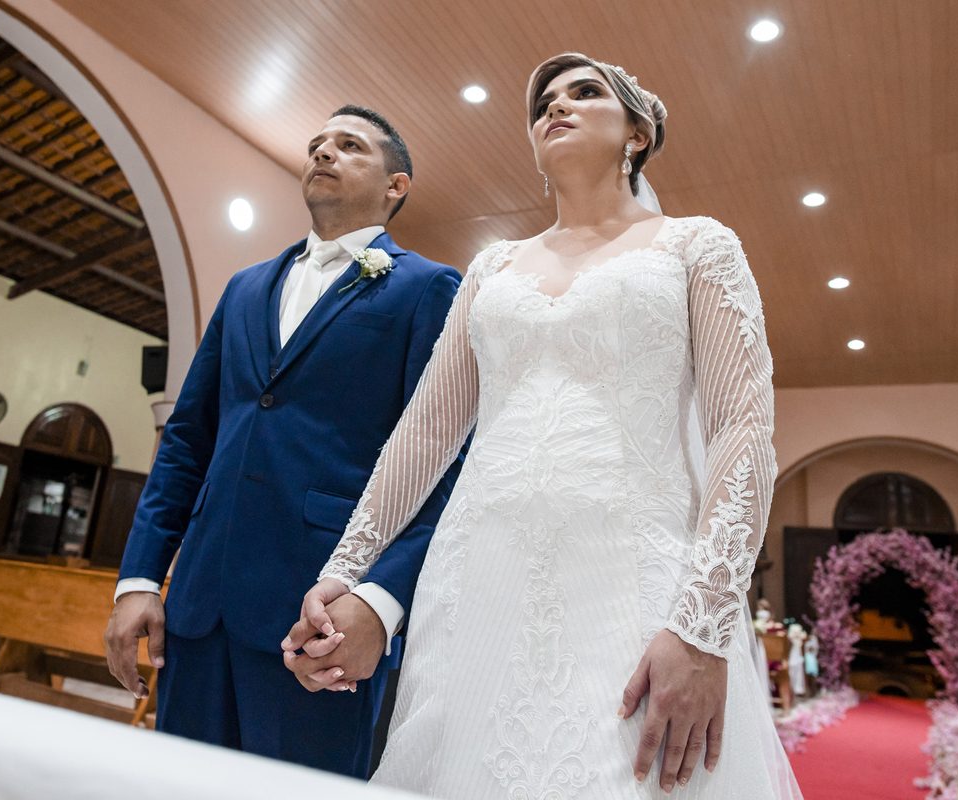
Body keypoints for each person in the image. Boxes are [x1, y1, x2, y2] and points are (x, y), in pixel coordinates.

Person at [286, 53, 800, 799]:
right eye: (544, 104)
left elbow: (742, 433)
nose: (556, 107)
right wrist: (343, 570)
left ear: (638, 131)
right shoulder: (492, 268)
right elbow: (426, 435)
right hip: (478, 578)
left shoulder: (698, 247)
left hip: (633, 582)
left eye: (585, 93)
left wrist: (703, 626)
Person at [102, 105, 464, 777]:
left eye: (350, 146)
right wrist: (141, 578)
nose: (323, 152)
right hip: (199, 607)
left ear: (397, 187)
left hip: (321, 619)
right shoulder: (245, 289)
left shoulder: (428, 289)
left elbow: (442, 467)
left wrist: (378, 604)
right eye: (317, 144)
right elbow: (186, 441)